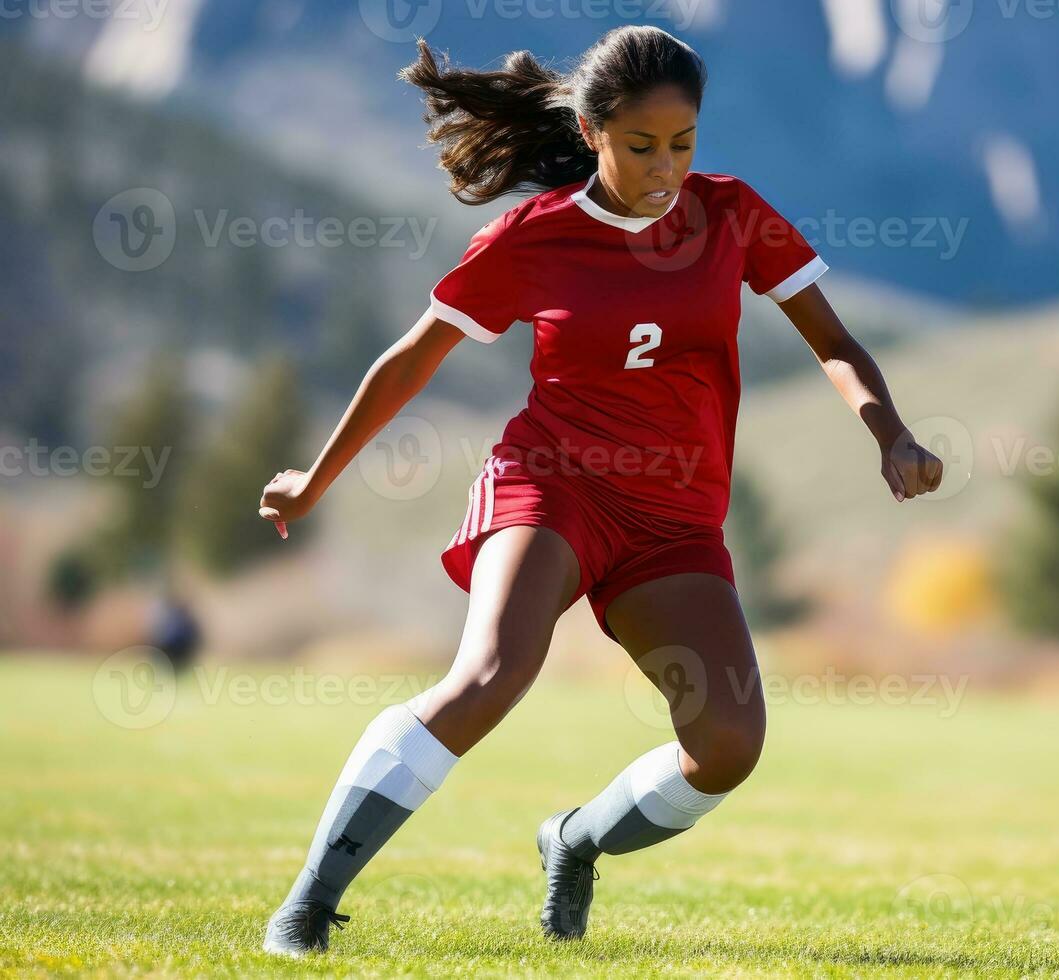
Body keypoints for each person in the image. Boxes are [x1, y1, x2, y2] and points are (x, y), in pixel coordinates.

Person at [257, 26, 943, 955]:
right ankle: (307, 903)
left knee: (729, 745)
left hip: (674, 520)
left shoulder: (733, 214)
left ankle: (572, 842)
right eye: (641, 146)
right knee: (492, 676)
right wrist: (313, 481)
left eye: (683, 143)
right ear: (590, 132)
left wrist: (890, 432)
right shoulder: (532, 239)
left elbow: (834, 343)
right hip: (553, 484)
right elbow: (410, 361)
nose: (666, 167)